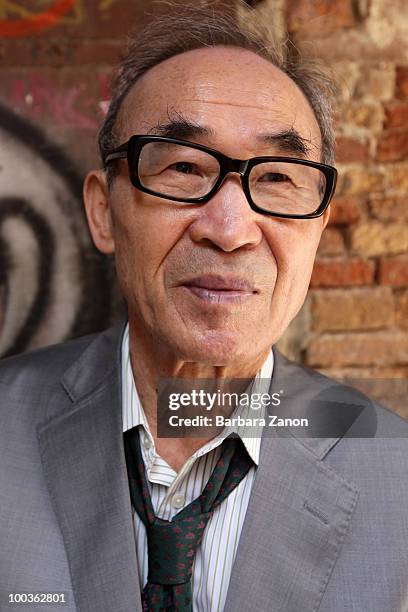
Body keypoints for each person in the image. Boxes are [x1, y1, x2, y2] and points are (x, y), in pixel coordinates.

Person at [0, 5, 407, 612]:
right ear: (103, 212)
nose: (231, 228)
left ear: (319, 226)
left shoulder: (396, 482)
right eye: (185, 168)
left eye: (276, 178)